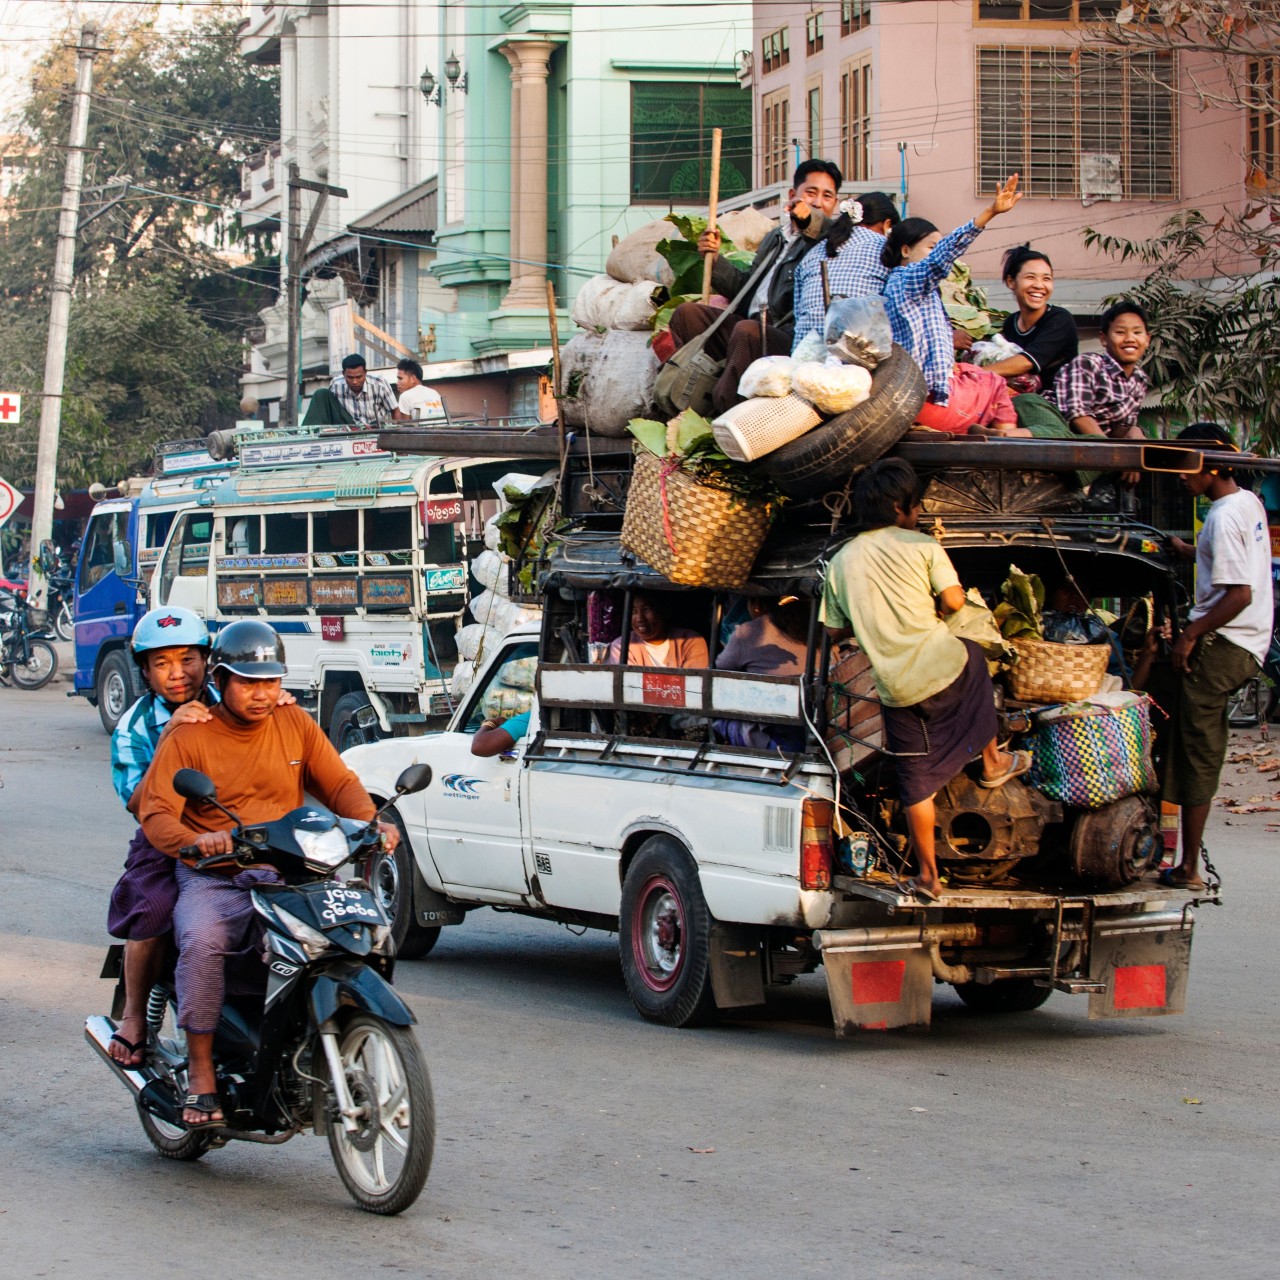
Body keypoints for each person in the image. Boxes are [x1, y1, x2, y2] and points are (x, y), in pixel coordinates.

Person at [136, 620, 396, 1129]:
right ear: (221, 679)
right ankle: (203, 1070)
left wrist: (371, 820)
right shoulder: (189, 735)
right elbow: (156, 812)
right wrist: (194, 840)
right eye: (247, 682)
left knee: (349, 931)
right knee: (204, 938)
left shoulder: (294, 723)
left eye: (270, 681)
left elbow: (338, 783)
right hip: (214, 873)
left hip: (290, 869)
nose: (261, 694)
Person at [822, 459, 1031, 901]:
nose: (917, 514)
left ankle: (928, 877)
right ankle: (992, 762)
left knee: (915, 780)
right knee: (975, 654)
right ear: (900, 507)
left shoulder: (840, 562)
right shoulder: (922, 546)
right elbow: (955, 602)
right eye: (915, 506)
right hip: (947, 667)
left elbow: (833, 630)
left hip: (897, 689)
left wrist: (867, 620)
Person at [1158, 423, 1272, 891]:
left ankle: (1188, 868)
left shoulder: (1224, 517)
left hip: (1225, 642)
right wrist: (1186, 550)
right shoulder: (1244, 503)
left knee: (1194, 749)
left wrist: (1189, 635)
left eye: (1187, 467)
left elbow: (1239, 593)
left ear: (1211, 465)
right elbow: (1226, 562)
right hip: (1249, 641)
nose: (1181, 477)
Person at [105, 608, 216, 1067]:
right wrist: (170, 734)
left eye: (187, 659)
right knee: (151, 905)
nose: (178, 674)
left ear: (207, 660)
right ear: (145, 672)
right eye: (162, 663)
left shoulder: (230, 699)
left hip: (235, 826)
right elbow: (137, 803)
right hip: (162, 835)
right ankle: (133, 1017)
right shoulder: (134, 728)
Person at [666, 159, 842, 416]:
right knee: (687, 314)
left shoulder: (829, 241)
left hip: (788, 336)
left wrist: (808, 219)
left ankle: (722, 410)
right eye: (811, 193)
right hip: (749, 325)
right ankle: (697, 385)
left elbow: (823, 225)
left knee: (747, 331)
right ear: (793, 195)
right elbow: (745, 289)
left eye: (827, 196)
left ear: (835, 204)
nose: (818, 202)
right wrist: (714, 259)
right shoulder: (775, 237)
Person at [881, 176, 1027, 437]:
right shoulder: (909, 280)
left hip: (909, 397)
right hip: (928, 402)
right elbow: (942, 257)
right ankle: (1005, 440)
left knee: (972, 371)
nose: (936, 253)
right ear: (905, 250)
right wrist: (989, 213)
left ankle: (981, 431)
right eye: (931, 247)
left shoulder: (904, 288)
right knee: (993, 382)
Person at [1046, 300, 1151, 508]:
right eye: (1120, 332)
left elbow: (1121, 430)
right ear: (1104, 339)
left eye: (1137, 333)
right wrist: (1114, 457)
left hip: (1096, 454)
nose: (1130, 339)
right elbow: (1078, 416)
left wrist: (1134, 445)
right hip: (1059, 437)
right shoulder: (1089, 364)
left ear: (1147, 339)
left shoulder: (1140, 379)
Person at [789, 191, 901, 352]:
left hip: (804, 350)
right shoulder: (887, 249)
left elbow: (799, 312)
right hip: (856, 354)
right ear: (887, 224)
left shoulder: (815, 251)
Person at [714, 596, 808, 752]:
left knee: (721, 716)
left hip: (777, 730)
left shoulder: (748, 631)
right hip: (814, 719)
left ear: (756, 605)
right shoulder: (812, 625)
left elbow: (718, 672)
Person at [983, 246, 1078, 394]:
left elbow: (1026, 362)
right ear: (1011, 282)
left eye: (1046, 278)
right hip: (1019, 399)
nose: (1039, 285)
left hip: (1056, 405)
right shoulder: (1010, 323)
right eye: (1030, 277)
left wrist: (975, 373)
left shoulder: (1059, 319)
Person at [606, 591, 710, 668]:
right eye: (634, 611)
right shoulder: (622, 645)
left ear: (665, 611)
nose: (639, 618)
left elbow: (692, 685)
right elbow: (631, 687)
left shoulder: (690, 640)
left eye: (646, 609)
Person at [328, 353, 398, 426]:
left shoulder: (380, 384)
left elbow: (395, 410)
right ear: (343, 374)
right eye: (350, 377)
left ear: (365, 372)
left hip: (378, 430)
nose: (354, 382)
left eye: (358, 377)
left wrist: (396, 434)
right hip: (350, 432)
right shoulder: (335, 386)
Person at [393, 357, 445, 422]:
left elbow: (406, 427)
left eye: (400, 378)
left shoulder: (405, 396)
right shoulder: (434, 393)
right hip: (443, 431)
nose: (397, 383)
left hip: (422, 432)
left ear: (413, 379)